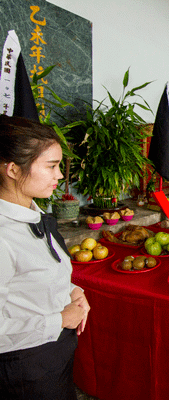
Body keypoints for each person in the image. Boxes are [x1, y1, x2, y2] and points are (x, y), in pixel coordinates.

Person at [0, 115, 90, 399]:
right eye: (51, 166)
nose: (60, 176)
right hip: (23, 369)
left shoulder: (34, 215)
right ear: (13, 169)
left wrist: (73, 290)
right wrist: (59, 319)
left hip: (53, 357)